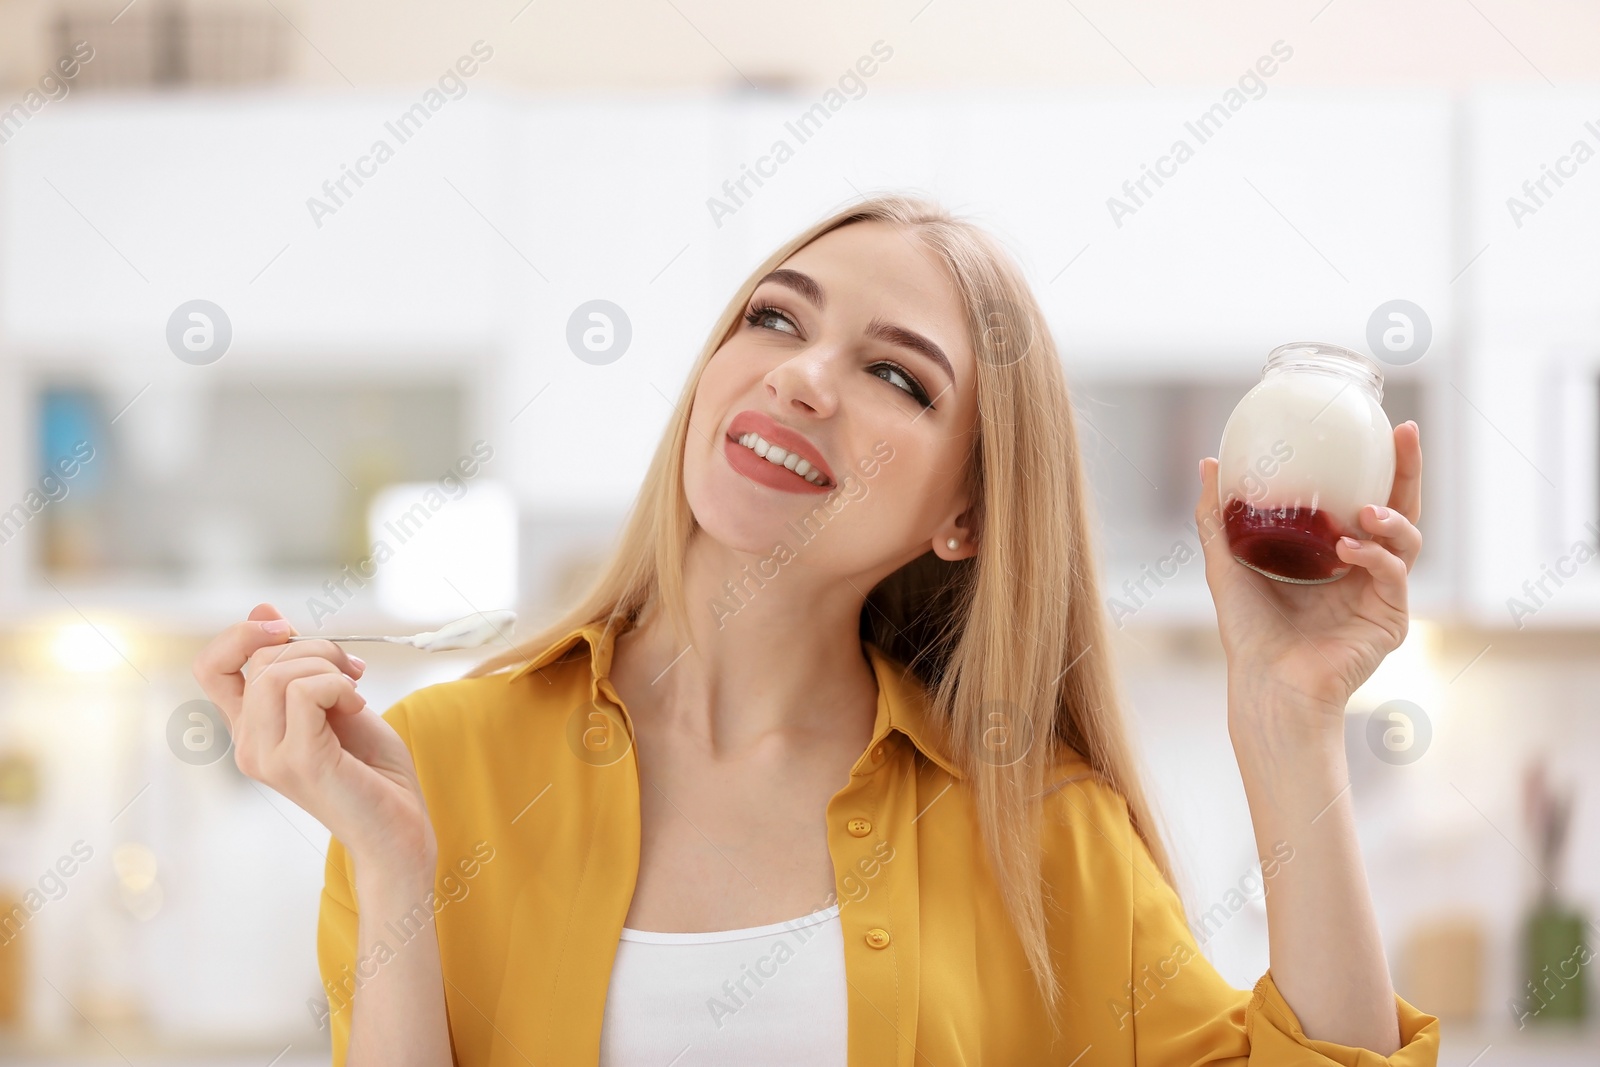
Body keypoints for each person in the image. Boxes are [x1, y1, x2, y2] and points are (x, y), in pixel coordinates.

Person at [193, 194, 1439, 1065]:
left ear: (964, 510)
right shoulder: (430, 771)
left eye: (896, 375)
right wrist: (396, 865)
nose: (800, 375)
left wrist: (1289, 718)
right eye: (774, 319)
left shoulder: (1039, 835)